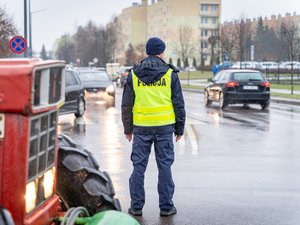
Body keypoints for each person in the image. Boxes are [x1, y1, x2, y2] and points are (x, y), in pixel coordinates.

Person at [121, 37, 186, 217]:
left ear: (147, 52)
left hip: (141, 129)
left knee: (138, 168)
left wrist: (128, 129)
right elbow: (178, 103)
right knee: (164, 167)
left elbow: (126, 104)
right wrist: (179, 128)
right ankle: (166, 207)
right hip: (164, 128)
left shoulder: (134, 74)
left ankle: (136, 207)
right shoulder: (170, 74)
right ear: (161, 52)